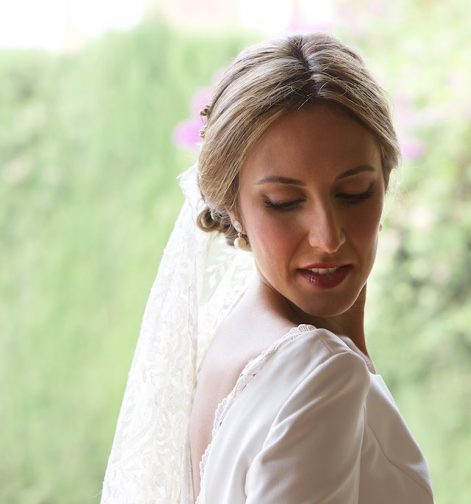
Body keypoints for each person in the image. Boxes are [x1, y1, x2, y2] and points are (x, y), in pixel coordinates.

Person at [101, 33, 434, 504]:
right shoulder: (323, 375)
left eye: (354, 193)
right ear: (233, 206)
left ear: (384, 180)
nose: (328, 238)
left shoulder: (233, 336)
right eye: (283, 201)